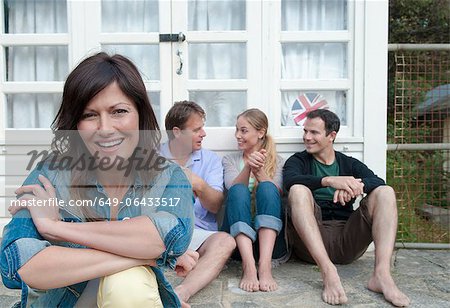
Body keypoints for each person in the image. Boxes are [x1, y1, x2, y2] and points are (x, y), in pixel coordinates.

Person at [0, 52, 198, 308]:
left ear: (140, 114)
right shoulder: (50, 174)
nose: (105, 128)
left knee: (129, 283)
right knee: (131, 271)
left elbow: (170, 238)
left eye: (119, 111)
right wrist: (145, 256)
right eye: (89, 115)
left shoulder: (167, 176)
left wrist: (56, 228)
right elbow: (17, 263)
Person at [283, 109, 410, 306]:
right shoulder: (298, 161)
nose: (307, 137)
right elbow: (290, 180)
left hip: (348, 240)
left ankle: (382, 275)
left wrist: (354, 187)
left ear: (331, 135)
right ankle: (327, 271)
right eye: (305, 131)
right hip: (312, 242)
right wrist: (330, 181)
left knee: (385, 192)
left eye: (314, 132)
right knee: (298, 189)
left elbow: (377, 180)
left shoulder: (348, 163)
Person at [160, 101, 236, 307]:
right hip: (158, 230)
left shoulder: (210, 160)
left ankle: (180, 293)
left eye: (202, 127)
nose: (203, 133)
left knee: (226, 242)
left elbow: (215, 206)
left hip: (197, 231)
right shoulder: (151, 158)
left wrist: (198, 184)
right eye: (196, 129)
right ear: (177, 132)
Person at [222, 108, 286, 292]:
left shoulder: (279, 161)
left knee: (267, 188)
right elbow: (231, 188)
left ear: (260, 132)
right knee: (238, 191)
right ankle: (249, 267)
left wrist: (259, 171)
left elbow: (276, 193)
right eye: (237, 130)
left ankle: (264, 267)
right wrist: (248, 167)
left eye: (243, 130)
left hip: (269, 241)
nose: (237, 135)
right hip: (238, 241)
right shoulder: (230, 160)